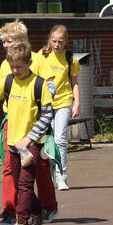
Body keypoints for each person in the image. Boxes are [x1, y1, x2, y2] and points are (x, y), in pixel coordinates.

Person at [0, 41, 55, 225]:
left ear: (29, 62)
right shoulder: (8, 81)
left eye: (19, 66)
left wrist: (29, 138)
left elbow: (47, 115)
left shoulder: (39, 84)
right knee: (20, 183)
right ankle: (38, 211)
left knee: (25, 184)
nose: (15, 70)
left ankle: (20, 222)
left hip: (31, 146)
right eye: (12, 66)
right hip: (12, 143)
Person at [38, 25, 81, 191]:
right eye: (54, 41)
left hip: (63, 102)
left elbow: (75, 82)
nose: (57, 45)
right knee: (46, 141)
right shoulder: (41, 56)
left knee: (60, 139)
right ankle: (48, 173)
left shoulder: (70, 59)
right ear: (50, 39)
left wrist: (76, 102)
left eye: (60, 42)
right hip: (45, 103)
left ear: (66, 42)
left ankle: (61, 176)